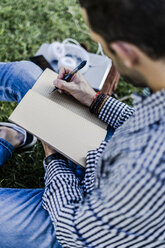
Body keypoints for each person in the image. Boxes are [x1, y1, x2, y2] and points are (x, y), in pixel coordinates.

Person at [41, 0, 165, 247]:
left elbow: (77, 234)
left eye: (105, 47)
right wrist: (94, 100)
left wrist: (53, 159)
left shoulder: (145, 169)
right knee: (24, 74)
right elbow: (150, 120)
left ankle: (9, 139)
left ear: (127, 53)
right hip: (107, 166)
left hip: (96, 219)